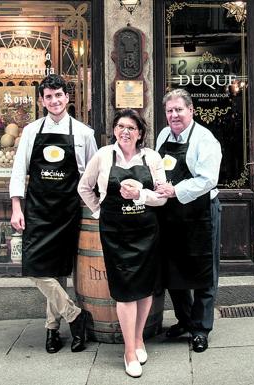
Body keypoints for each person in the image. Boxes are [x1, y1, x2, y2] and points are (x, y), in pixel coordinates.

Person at [9, 74, 98, 353]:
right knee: (35, 268)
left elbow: (93, 176)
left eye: (58, 95)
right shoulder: (31, 131)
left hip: (69, 210)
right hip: (38, 209)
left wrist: (94, 208)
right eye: (48, 96)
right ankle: (75, 315)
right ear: (41, 100)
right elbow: (18, 172)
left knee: (58, 271)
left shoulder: (84, 133)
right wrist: (16, 207)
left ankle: (51, 330)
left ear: (67, 98)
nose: (54, 101)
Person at [77, 109, 167, 378]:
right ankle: (130, 351)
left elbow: (162, 197)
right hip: (115, 233)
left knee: (145, 290)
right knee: (125, 290)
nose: (124, 131)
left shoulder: (151, 158)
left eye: (130, 127)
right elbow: (84, 187)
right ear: (114, 130)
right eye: (119, 126)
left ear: (140, 132)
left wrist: (141, 194)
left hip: (146, 232)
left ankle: (138, 338)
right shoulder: (104, 155)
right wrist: (99, 211)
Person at [154, 89, 222, 353]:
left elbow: (208, 179)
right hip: (172, 215)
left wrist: (175, 190)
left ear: (191, 110)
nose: (174, 115)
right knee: (174, 270)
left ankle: (201, 329)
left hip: (201, 213)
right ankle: (185, 320)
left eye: (179, 110)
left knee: (204, 271)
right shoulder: (163, 136)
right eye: (169, 111)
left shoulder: (205, 139)